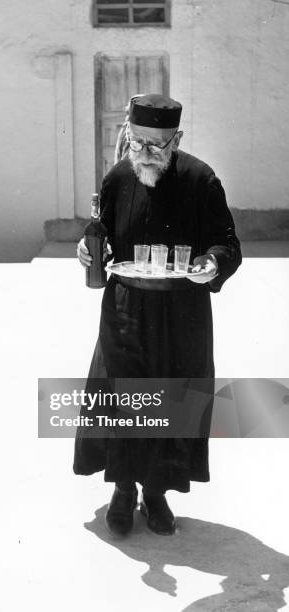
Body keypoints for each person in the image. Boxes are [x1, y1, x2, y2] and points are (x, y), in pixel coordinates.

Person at [74, 93, 242, 537]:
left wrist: (212, 263)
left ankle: (156, 492)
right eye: (139, 142)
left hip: (181, 312)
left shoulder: (200, 180)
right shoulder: (117, 178)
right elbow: (102, 235)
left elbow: (227, 243)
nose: (146, 153)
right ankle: (123, 490)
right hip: (126, 308)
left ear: (177, 139)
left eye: (158, 145)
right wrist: (86, 248)